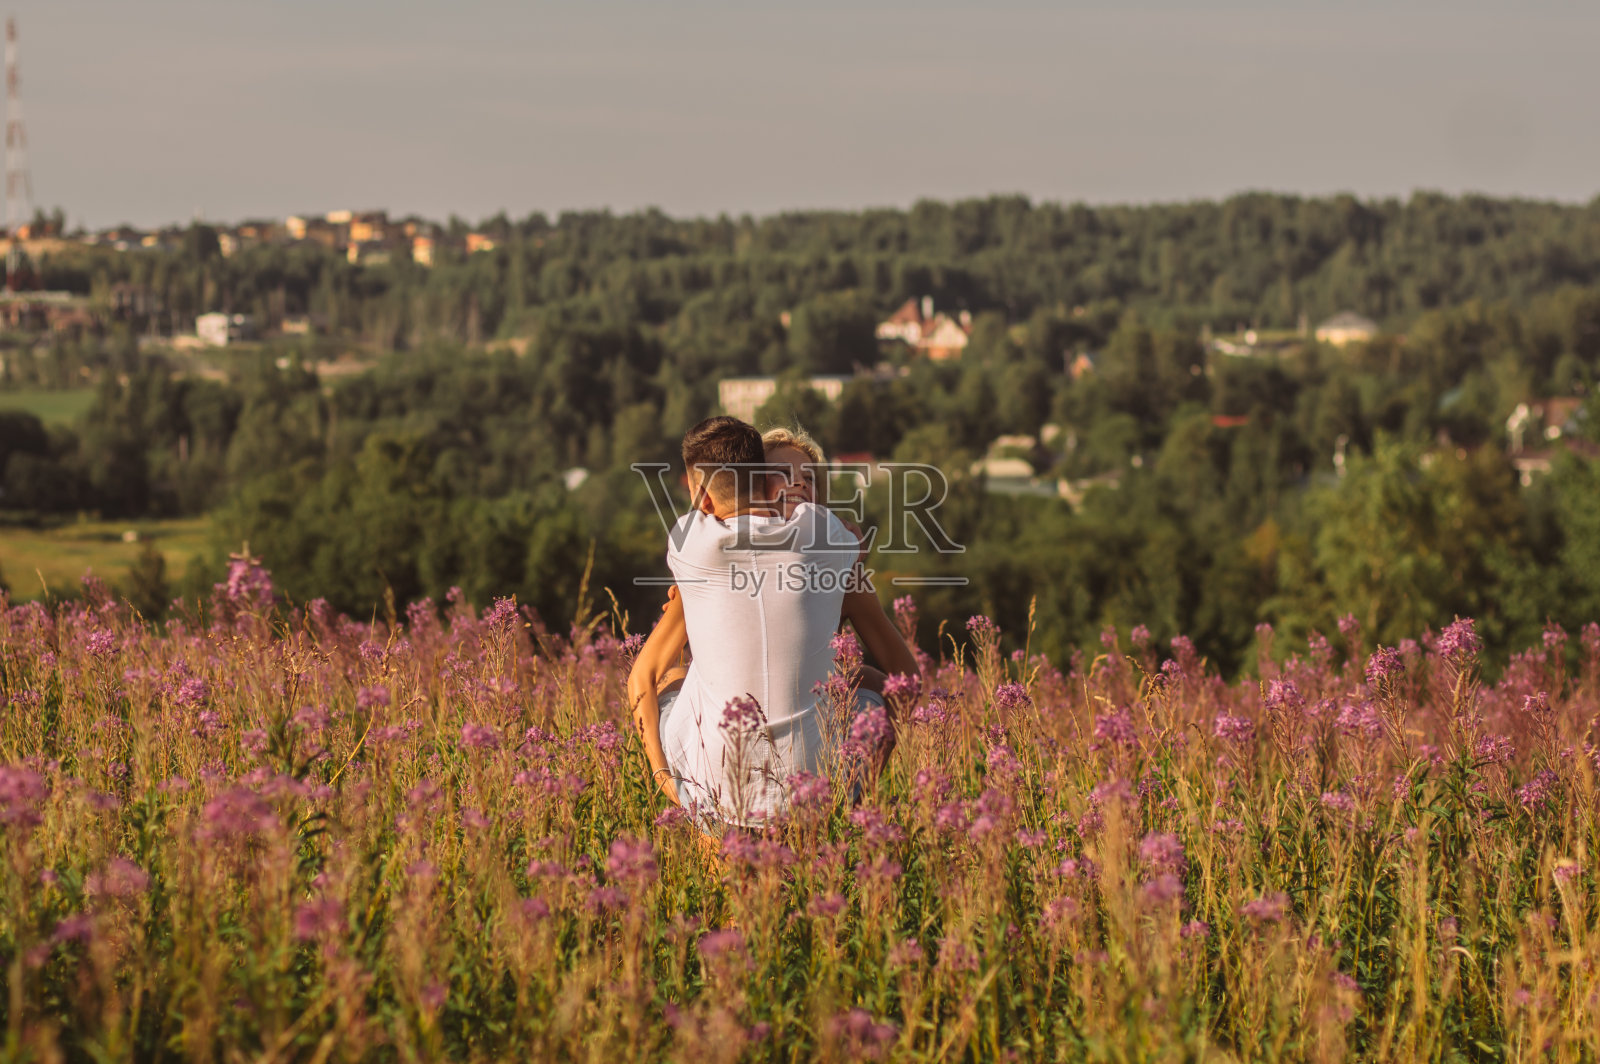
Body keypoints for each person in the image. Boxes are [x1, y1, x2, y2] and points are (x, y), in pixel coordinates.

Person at [627, 417, 915, 834]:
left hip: (723, 788)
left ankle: (835, 810)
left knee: (862, 680)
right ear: (752, 486)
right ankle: (837, 810)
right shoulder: (836, 552)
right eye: (780, 474)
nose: (798, 485)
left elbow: (903, 682)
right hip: (805, 783)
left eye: (808, 479)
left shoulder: (707, 554)